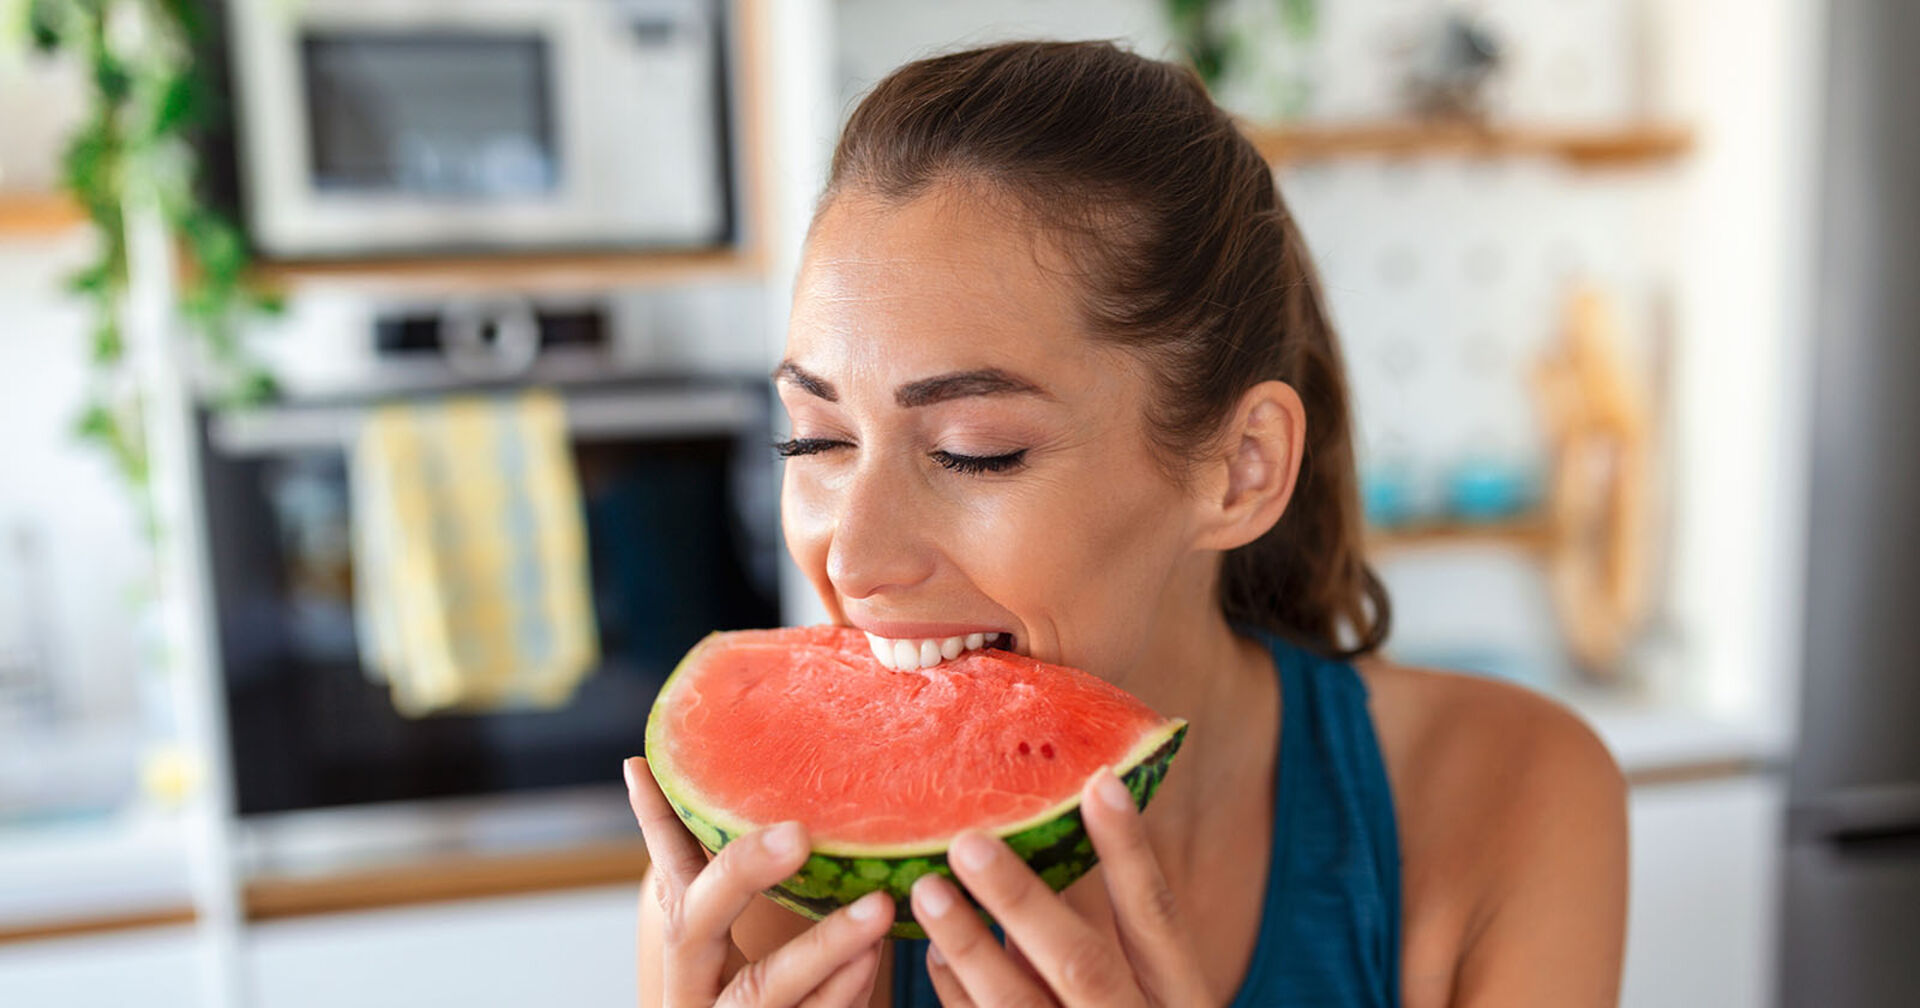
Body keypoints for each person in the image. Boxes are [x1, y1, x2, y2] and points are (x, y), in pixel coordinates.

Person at [623, 40, 1627, 1007]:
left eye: (976, 449)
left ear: (1242, 469)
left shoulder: (1507, 795)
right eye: (816, 442)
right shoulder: (769, 886)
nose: (854, 557)